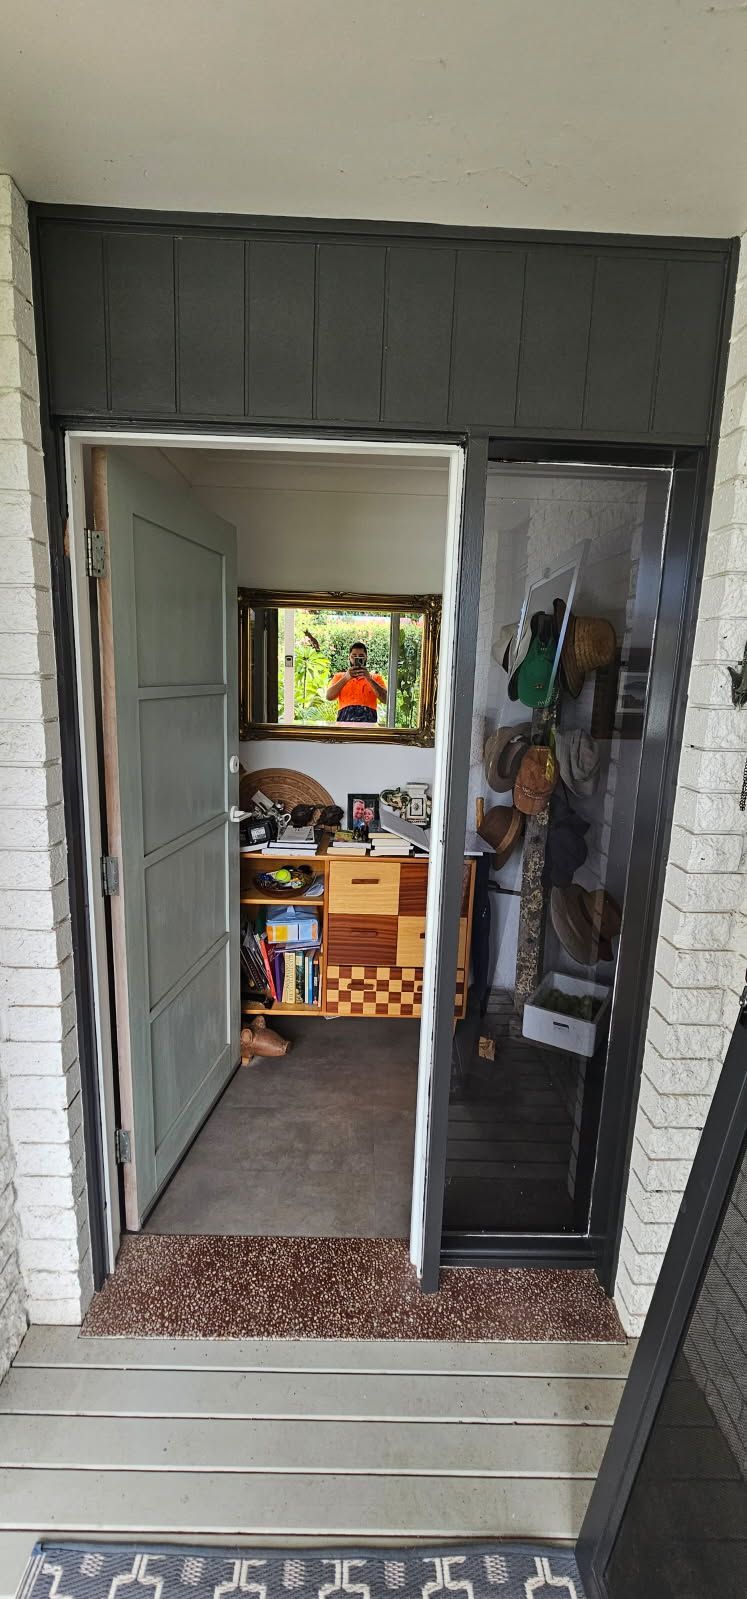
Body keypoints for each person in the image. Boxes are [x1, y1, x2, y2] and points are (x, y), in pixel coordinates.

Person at [326, 641, 387, 723]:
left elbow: (386, 699)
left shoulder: (376, 678)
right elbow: (329, 696)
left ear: (366, 658)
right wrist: (346, 678)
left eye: (361, 656)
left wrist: (369, 679)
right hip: (344, 722)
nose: (357, 658)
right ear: (349, 657)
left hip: (368, 723)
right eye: (354, 656)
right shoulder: (339, 677)